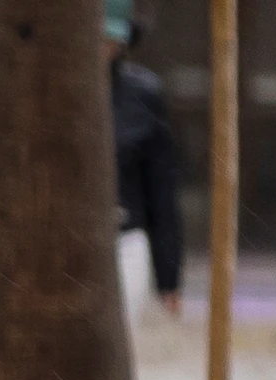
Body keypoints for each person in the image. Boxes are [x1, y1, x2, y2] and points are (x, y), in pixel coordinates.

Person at [107, 0, 183, 326]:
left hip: (123, 236)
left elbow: (161, 189)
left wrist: (169, 275)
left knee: (118, 341)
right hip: (60, 242)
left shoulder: (142, 95)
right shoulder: (46, 92)